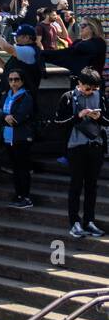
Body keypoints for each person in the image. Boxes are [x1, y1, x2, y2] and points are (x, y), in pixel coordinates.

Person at [51, 67, 107, 237]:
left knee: (92, 186)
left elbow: (108, 120)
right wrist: (78, 116)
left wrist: (100, 118)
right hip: (75, 147)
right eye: (88, 88)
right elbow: (58, 123)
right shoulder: (68, 98)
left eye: (95, 89)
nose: (91, 92)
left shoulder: (100, 97)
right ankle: (75, 222)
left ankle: (89, 221)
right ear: (79, 83)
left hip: (96, 146)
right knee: (76, 185)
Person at [0, 68, 37, 210]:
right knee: (15, 168)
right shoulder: (6, 96)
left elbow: (18, 118)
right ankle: (18, 195)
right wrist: (4, 116)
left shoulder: (26, 97)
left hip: (21, 138)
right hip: (8, 138)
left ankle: (26, 197)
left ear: (22, 81)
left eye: (16, 79)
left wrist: (4, 117)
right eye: (11, 79)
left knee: (23, 168)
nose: (13, 82)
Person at [0, 23, 44, 101]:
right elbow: (8, 69)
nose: (15, 39)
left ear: (27, 38)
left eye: (18, 36)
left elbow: (5, 47)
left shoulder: (30, 51)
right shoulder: (23, 50)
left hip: (22, 99)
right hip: (11, 97)